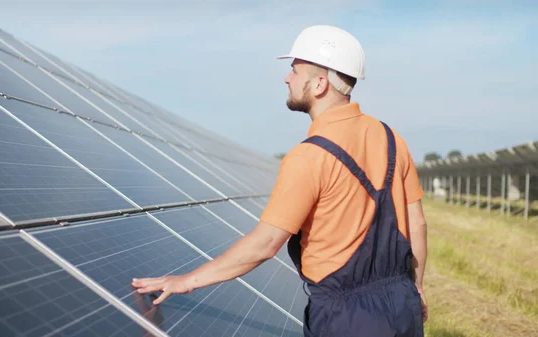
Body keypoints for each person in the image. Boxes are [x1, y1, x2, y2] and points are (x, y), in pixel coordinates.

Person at [132, 24, 428, 337]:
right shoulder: (393, 139)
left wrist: (186, 281)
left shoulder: (309, 157)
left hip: (346, 318)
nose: (287, 78)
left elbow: (264, 245)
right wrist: (416, 288)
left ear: (319, 85)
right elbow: (417, 225)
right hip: (401, 304)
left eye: (295, 71)